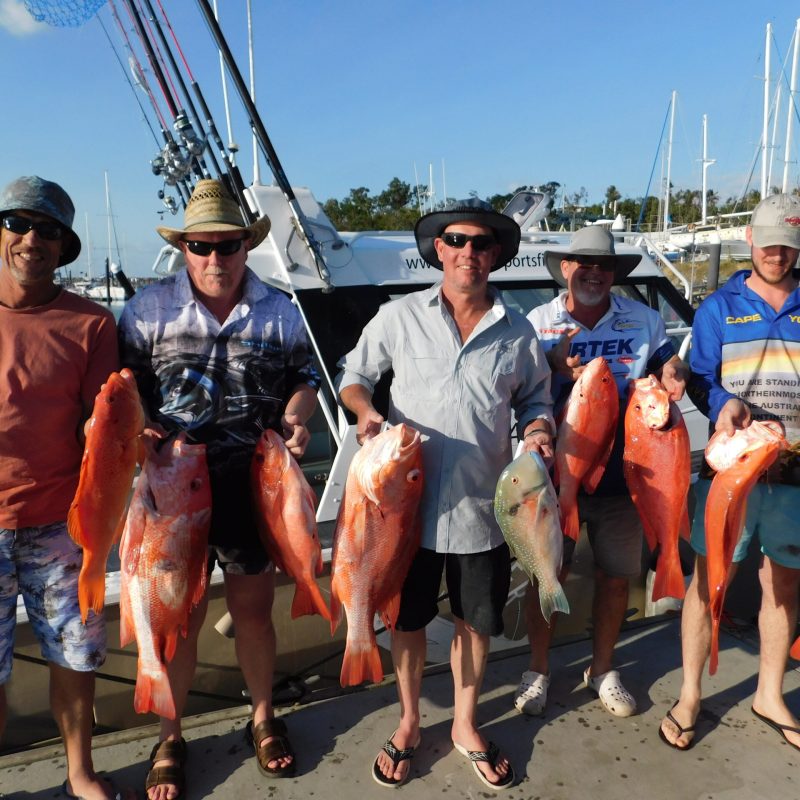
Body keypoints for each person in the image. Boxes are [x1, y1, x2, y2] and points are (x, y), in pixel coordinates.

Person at [337, 199, 555, 790]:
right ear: (439, 249)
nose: (469, 253)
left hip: (484, 512)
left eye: (482, 245)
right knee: (406, 620)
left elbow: (536, 398)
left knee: (473, 622)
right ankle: (409, 721)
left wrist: (538, 432)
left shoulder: (518, 331)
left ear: (496, 257)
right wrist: (367, 415)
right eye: (457, 241)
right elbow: (352, 376)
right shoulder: (398, 316)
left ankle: (464, 723)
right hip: (399, 513)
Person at [118, 179, 320, 800]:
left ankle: (263, 716)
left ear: (244, 247)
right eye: (201, 246)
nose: (214, 258)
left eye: (227, 245)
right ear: (184, 248)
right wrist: (138, 425)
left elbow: (307, 378)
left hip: (252, 486)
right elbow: (123, 388)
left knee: (255, 614)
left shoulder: (282, 310)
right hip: (171, 491)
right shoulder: (145, 310)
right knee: (179, 618)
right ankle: (170, 736)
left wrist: (299, 415)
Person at [516, 226, 688, 719]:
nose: (593, 272)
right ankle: (538, 670)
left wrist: (677, 370)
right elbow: (518, 392)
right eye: (582, 263)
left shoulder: (644, 318)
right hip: (555, 481)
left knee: (617, 578)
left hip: (629, 477)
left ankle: (603, 669)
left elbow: (667, 364)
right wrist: (551, 365)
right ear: (565, 269)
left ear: (614, 273)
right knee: (545, 575)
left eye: (604, 265)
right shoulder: (537, 322)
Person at [0, 177, 129, 800]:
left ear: (64, 246)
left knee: (75, 658)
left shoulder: (92, 322)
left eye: (48, 230)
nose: (32, 240)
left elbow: (98, 413)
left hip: (63, 524)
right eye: (18, 224)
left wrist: (125, 431)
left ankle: (80, 772)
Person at [659, 193, 800, 751]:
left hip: (793, 473)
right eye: (769, 243)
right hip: (733, 470)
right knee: (706, 580)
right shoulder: (718, 306)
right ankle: (691, 692)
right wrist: (720, 405)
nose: (778, 254)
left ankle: (769, 692)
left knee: (785, 583)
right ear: (749, 240)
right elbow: (697, 376)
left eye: (789, 245)